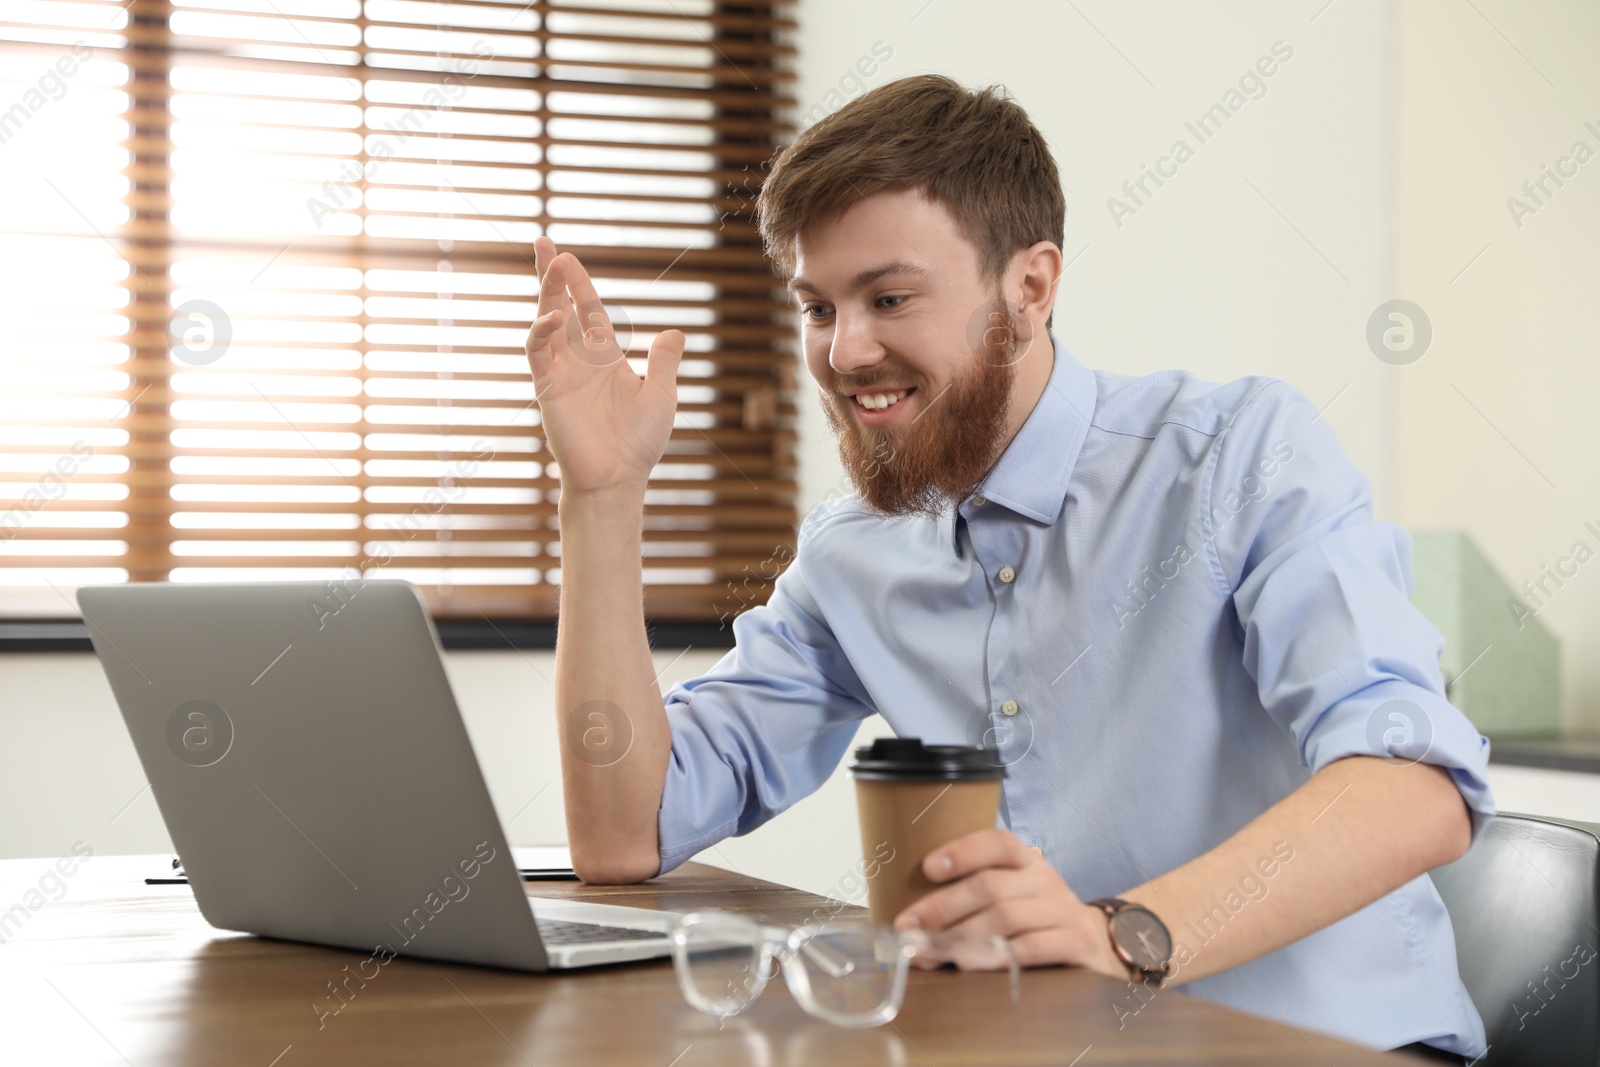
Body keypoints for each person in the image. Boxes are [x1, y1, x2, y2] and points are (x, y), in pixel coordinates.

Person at [523, 74, 1492, 1059]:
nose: (845, 349)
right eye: (817, 306)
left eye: (888, 297)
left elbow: (1416, 781)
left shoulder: (1236, 453)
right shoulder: (855, 550)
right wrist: (602, 495)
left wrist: (1121, 930)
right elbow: (625, 832)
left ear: (1027, 289)